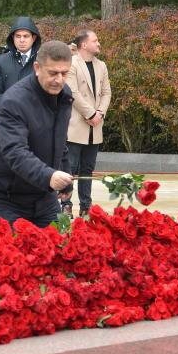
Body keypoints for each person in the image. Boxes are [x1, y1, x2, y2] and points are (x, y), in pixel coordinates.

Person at [0, 40, 75, 228]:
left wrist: (65, 176)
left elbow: (60, 141)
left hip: (41, 193)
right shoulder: (14, 101)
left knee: (59, 250)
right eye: (53, 73)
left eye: (65, 73)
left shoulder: (64, 95)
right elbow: (14, 151)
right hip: (4, 196)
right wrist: (49, 176)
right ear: (37, 67)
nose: (59, 80)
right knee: (17, 254)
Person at [63, 29, 111, 216]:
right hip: (77, 125)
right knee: (70, 169)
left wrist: (100, 113)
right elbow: (72, 92)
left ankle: (86, 207)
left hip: (95, 127)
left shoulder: (102, 66)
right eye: (95, 41)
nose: (99, 44)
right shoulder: (72, 64)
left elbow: (107, 92)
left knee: (87, 169)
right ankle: (66, 205)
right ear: (84, 45)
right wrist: (90, 114)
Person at [0, 16, 41, 110]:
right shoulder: (1, 62)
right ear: (13, 38)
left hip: (36, 119)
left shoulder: (42, 62)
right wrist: (10, 111)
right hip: (8, 119)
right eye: (18, 36)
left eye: (26, 36)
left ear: (34, 38)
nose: (22, 40)